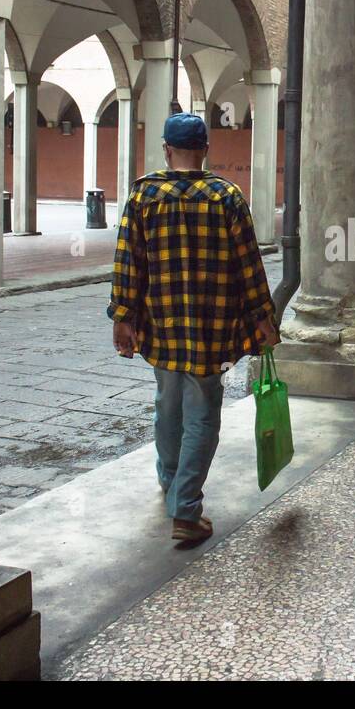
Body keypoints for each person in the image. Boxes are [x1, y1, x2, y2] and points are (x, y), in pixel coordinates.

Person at [108, 112, 279, 544]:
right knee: (201, 413)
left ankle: (172, 487)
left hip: (161, 326)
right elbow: (249, 266)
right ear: (205, 150)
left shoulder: (144, 196)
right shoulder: (227, 197)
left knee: (167, 404)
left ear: (167, 150)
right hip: (212, 327)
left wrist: (122, 318)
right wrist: (263, 318)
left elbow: (128, 264)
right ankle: (185, 510)